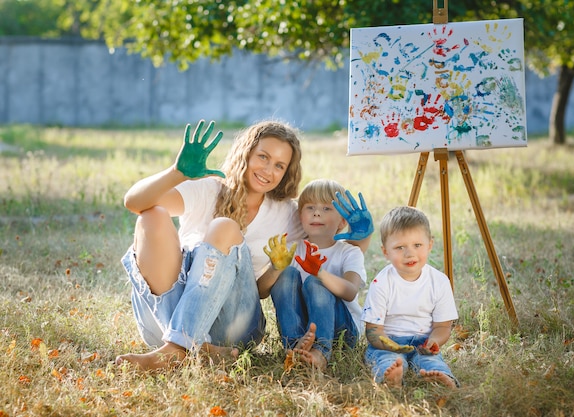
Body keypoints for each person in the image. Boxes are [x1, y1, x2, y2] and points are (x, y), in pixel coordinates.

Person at [116, 119, 372, 371]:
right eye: (263, 157)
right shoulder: (208, 190)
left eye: (279, 166)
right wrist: (176, 173)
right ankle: (192, 348)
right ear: (246, 153)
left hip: (234, 325)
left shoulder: (286, 215)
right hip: (163, 323)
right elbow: (134, 202)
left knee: (224, 227)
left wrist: (361, 236)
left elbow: (333, 249)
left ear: (286, 173)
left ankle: (178, 349)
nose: (268, 170)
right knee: (151, 215)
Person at [258, 179, 369, 371]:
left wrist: (320, 273)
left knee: (315, 283)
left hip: (343, 332)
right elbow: (261, 292)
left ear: (343, 221)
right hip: (304, 329)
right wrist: (275, 269)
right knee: (286, 275)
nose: (317, 213)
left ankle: (321, 351)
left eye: (327, 208)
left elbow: (350, 291)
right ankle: (294, 346)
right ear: (300, 216)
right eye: (310, 207)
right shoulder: (292, 249)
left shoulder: (349, 252)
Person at [362, 206, 459, 388]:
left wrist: (434, 342)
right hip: (387, 342)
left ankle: (441, 377)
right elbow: (373, 330)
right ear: (386, 252)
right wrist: (390, 345)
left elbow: (443, 326)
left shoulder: (439, 282)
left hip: (423, 343)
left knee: (431, 360)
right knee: (388, 360)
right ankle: (391, 376)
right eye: (399, 247)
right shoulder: (381, 282)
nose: (409, 253)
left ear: (429, 244)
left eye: (417, 245)